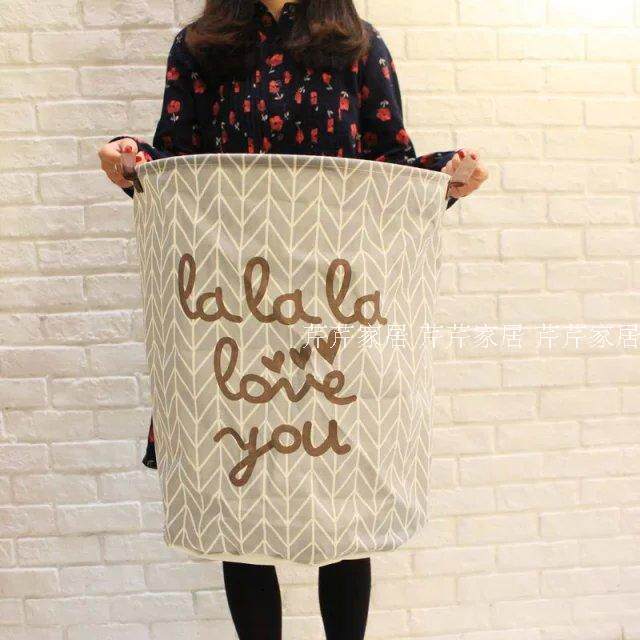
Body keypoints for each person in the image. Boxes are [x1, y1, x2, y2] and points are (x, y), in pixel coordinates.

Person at [98, 1, 488, 638]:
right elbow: (175, 168)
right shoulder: (201, 46)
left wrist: (445, 176)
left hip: (335, 312)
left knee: (345, 504)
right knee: (238, 505)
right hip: (233, 313)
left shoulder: (358, 45)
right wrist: (130, 159)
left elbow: (389, 169)